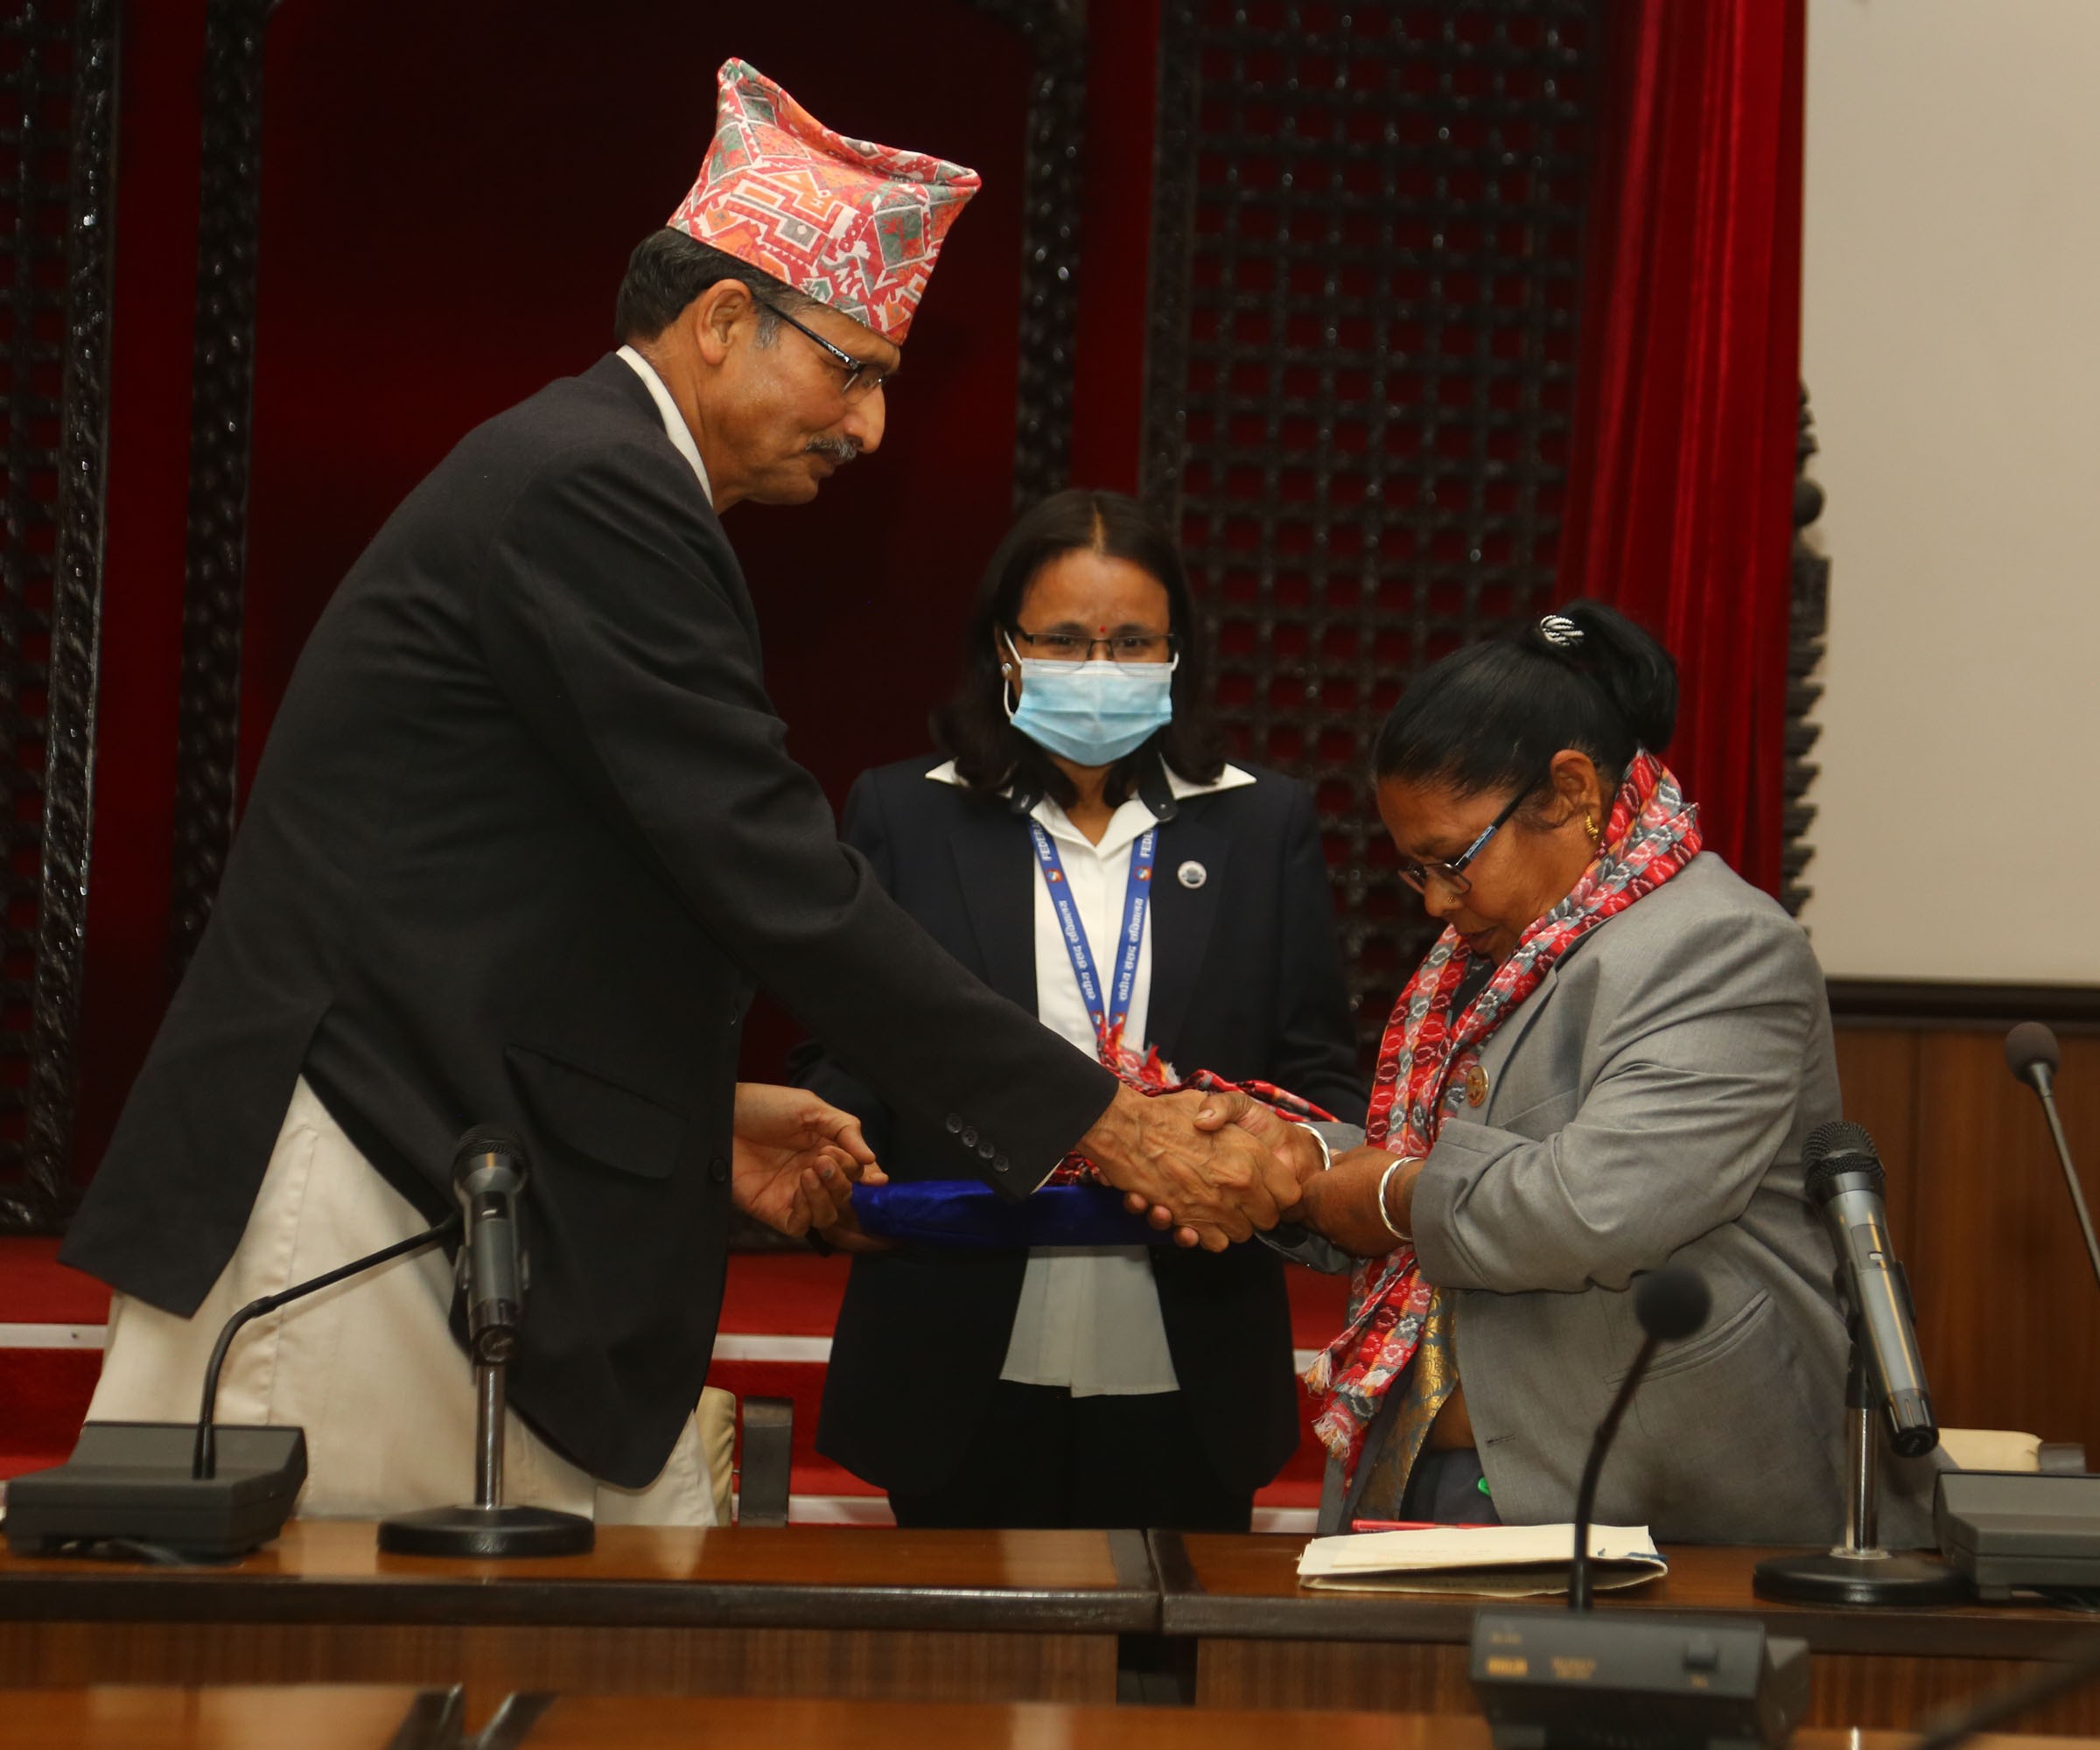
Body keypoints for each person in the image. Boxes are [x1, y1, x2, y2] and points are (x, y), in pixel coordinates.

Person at [60, 60, 1292, 1526]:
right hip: (369, 1203)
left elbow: (526, 907)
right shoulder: (598, 490)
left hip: (440, 1169)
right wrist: (1110, 1123)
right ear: (721, 322)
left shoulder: (597, 478)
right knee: (335, 1696)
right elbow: (774, 878)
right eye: (856, 367)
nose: (872, 427)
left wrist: (698, 1111)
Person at [1192, 600, 1914, 1544]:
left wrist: (1388, 1195)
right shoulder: (1490, 949)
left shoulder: (1722, 945)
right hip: (1436, 1465)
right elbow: (1437, 1158)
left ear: (1570, 789)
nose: (1440, 904)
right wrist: (1297, 1161)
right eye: (1417, 872)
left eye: (1452, 860)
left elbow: (1596, 1204)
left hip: (1651, 1501)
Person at [794, 490, 1368, 1530]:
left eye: (1132, 640)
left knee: (1169, 1679)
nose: (1099, 667)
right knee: (952, 1687)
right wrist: (836, 1162)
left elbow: (1320, 1073)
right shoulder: (906, 814)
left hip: (1189, 1350)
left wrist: (1278, 1157)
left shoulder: (1259, 822)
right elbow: (854, 1058)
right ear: (1004, 651)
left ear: (1176, 652)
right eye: (1064, 639)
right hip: (954, 1346)